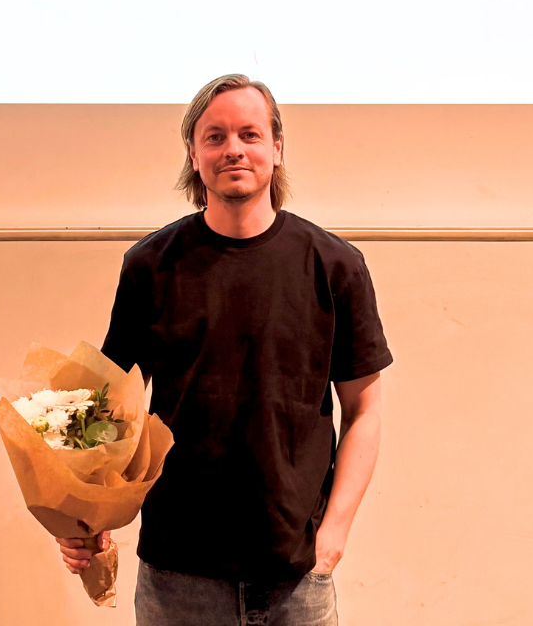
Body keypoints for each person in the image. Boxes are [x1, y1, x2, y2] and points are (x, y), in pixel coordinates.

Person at [57, 74, 392, 625]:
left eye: (250, 134)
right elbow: (105, 412)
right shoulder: (151, 266)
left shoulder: (335, 266)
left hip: (296, 579)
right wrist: (84, 520)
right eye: (214, 136)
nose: (233, 148)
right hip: (176, 576)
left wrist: (332, 538)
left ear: (277, 148)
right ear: (193, 154)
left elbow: (365, 410)